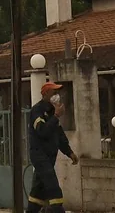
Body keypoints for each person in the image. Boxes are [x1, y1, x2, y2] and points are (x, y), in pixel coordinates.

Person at [27, 82, 79, 213]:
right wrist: (56, 116)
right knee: (53, 187)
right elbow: (42, 131)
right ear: (45, 94)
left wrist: (69, 152)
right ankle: (57, 210)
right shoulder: (37, 111)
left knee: (38, 191)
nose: (57, 95)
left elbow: (59, 135)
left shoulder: (52, 112)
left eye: (57, 92)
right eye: (53, 92)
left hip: (50, 156)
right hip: (39, 155)